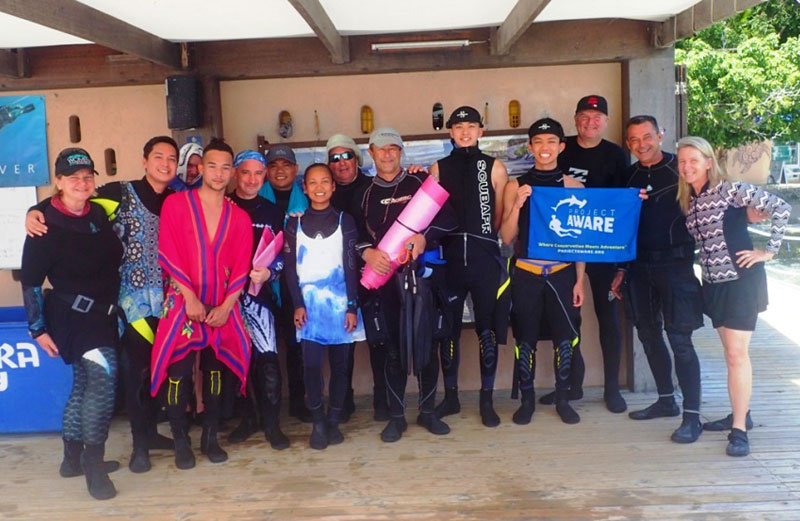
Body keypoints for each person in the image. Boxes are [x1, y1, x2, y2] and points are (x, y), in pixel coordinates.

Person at [25, 136, 180, 473]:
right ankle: (108, 461)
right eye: (158, 156)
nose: (165, 164)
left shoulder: (172, 201)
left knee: (118, 379)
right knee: (119, 379)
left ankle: (76, 461)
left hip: (148, 304)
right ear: (144, 160)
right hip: (114, 307)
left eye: (172, 158)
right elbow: (33, 277)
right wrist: (33, 211)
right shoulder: (116, 195)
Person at [676, 136, 790, 456]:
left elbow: (780, 207)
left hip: (741, 281)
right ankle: (742, 413)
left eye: (694, 161)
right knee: (730, 354)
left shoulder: (730, 189)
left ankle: (739, 430)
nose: (687, 167)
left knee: (737, 355)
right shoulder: (691, 201)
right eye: (682, 162)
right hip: (713, 284)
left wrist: (768, 252)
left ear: (709, 162)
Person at [21, 148, 123, 500]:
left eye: (87, 175)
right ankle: (94, 468)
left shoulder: (98, 210)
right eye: (73, 177)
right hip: (73, 318)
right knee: (103, 385)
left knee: (83, 385)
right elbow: (31, 281)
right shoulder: (44, 223)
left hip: (103, 315)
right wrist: (37, 329)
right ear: (59, 182)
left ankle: (71, 461)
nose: (82, 182)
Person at [151, 138, 253, 469]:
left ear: (232, 173)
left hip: (222, 305)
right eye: (212, 165)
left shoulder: (239, 217)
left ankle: (210, 437)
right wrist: (190, 297)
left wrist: (226, 307)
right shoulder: (177, 204)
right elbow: (168, 248)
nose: (219, 173)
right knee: (178, 372)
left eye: (226, 167)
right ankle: (181, 439)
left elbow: (241, 267)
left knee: (214, 372)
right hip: (183, 301)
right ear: (200, 167)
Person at [355, 127, 458, 442]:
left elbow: (450, 219)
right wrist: (367, 252)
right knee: (393, 351)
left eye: (393, 149)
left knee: (428, 346)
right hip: (386, 283)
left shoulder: (419, 183)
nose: (387, 155)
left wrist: (425, 237)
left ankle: (427, 413)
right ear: (370, 153)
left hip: (423, 279)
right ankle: (397, 417)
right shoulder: (362, 191)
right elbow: (352, 235)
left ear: (401, 153)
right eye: (380, 149)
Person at [611, 115, 704, 444]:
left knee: (681, 341)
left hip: (677, 267)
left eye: (647, 136)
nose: (641, 144)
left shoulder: (681, 171)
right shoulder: (627, 176)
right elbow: (622, 227)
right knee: (648, 335)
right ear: (628, 143)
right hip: (638, 268)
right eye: (634, 139)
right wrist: (621, 270)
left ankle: (692, 417)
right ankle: (667, 400)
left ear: (660, 135)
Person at [424, 105, 509, 427]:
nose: (465, 133)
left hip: (484, 257)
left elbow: (498, 214)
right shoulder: (438, 168)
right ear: (450, 132)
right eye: (459, 128)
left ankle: (487, 400)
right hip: (449, 261)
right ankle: (452, 396)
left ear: (481, 131)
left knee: (487, 329)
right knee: (449, 332)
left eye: (471, 127)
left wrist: (483, 240)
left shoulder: (494, 166)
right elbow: (428, 212)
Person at [545, 95, 629, 413]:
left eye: (597, 117)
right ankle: (570, 386)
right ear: (575, 119)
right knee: (568, 320)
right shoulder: (561, 147)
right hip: (566, 249)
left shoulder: (616, 156)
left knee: (608, 319)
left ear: (605, 121)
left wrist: (623, 262)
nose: (590, 123)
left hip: (604, 249)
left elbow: (625, 208)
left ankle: (611, 390)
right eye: (584, 116)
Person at [500, 117, 585, 426]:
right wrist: (517, 206)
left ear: (561, 147)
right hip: (526, 272)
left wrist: (579, 281)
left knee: (565, 338)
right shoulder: (515, 185)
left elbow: (581, 242)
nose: (545, 148)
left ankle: (563, 398)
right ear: (531, 147)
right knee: (526, 339)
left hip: (562, 272)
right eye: (539, 142)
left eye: (552, 142)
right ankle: (527, 400)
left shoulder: (574, 187)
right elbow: (507, 236)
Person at [285, 163, 365, 449]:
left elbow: (352, 266)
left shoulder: (346, 220)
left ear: (333, 186)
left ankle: (333, 420)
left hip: (341, 307)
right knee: (312, 366)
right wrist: (297, 305)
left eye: (325, 182)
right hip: (308, 309)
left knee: (342, 367)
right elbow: (290, 270)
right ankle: (317, 421)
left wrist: (353, 306)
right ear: (304, 188)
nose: (319, 187)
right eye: (312, 182)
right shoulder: (294, 223)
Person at [226, 149, 289, 450]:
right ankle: (248, 419)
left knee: (268, 362)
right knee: (236, 362)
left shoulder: (271, 210)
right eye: (246, 172)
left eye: (258, 173)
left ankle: (272, 424)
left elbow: (282, 257)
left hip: (259, 299)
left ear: (264, 177)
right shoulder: (222, 206)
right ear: (235, 173)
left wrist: (270, 273)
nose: (252, 179)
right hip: (225, 298)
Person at [326, 134, 379, 421]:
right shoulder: (324, 192)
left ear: (357, 159)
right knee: (341, 343)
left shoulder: (372, 186)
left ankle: (383, 399)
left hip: (372, 273)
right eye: (334, 158)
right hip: (336, 278)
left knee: (378, 339)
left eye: (347, 155)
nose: (341, 162)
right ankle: (342, 401)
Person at [258, 144, 312, 422]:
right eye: (274, 166)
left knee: (295, 347)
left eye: (285, 165)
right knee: (264, 349)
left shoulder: (309, 200)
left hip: (295, 287)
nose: (280, 171)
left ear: (295, 169)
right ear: (266, 171)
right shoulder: (255, 200)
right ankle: (264, 409)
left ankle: (298, 403)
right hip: (261, 287)